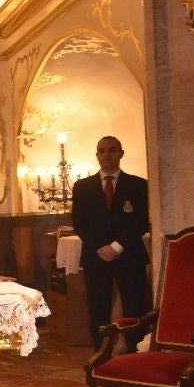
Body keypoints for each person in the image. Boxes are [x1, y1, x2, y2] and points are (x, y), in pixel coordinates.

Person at [70, 135, 150, 352]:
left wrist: (116, 247)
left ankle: (135, 352)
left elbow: (142, 221)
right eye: (102, 151)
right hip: (96, 256)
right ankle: (100, 353)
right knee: (98, 307)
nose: (107, 155)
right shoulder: (82, 187)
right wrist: (101, 248)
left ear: (121, 153)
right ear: (97, 156)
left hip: (129, 254)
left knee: (134, 306)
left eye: (112, 150)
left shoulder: (139, 185)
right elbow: (79, 222)